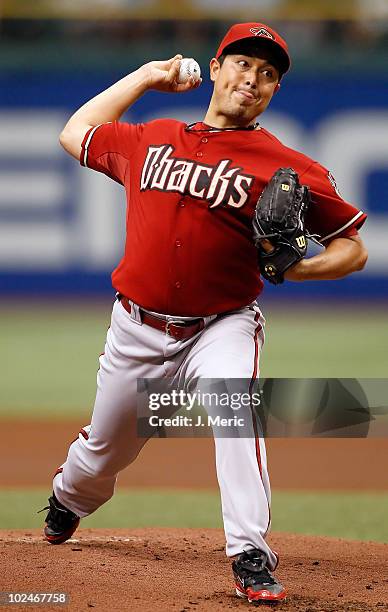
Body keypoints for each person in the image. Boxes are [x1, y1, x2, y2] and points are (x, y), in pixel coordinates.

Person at [40, 22, 368, 605]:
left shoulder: (285, 164)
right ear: (214, 69)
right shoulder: (154, 138)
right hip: (136, 327)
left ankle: (250, 552)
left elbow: (352, 247)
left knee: (233, 410)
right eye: (243, 63)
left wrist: (297, 269)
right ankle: (70, 496)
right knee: (104, 452)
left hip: (222, 324)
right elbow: (75, 133)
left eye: (269, 74)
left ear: (273, 91)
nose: (255, 79)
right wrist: (146, 75)